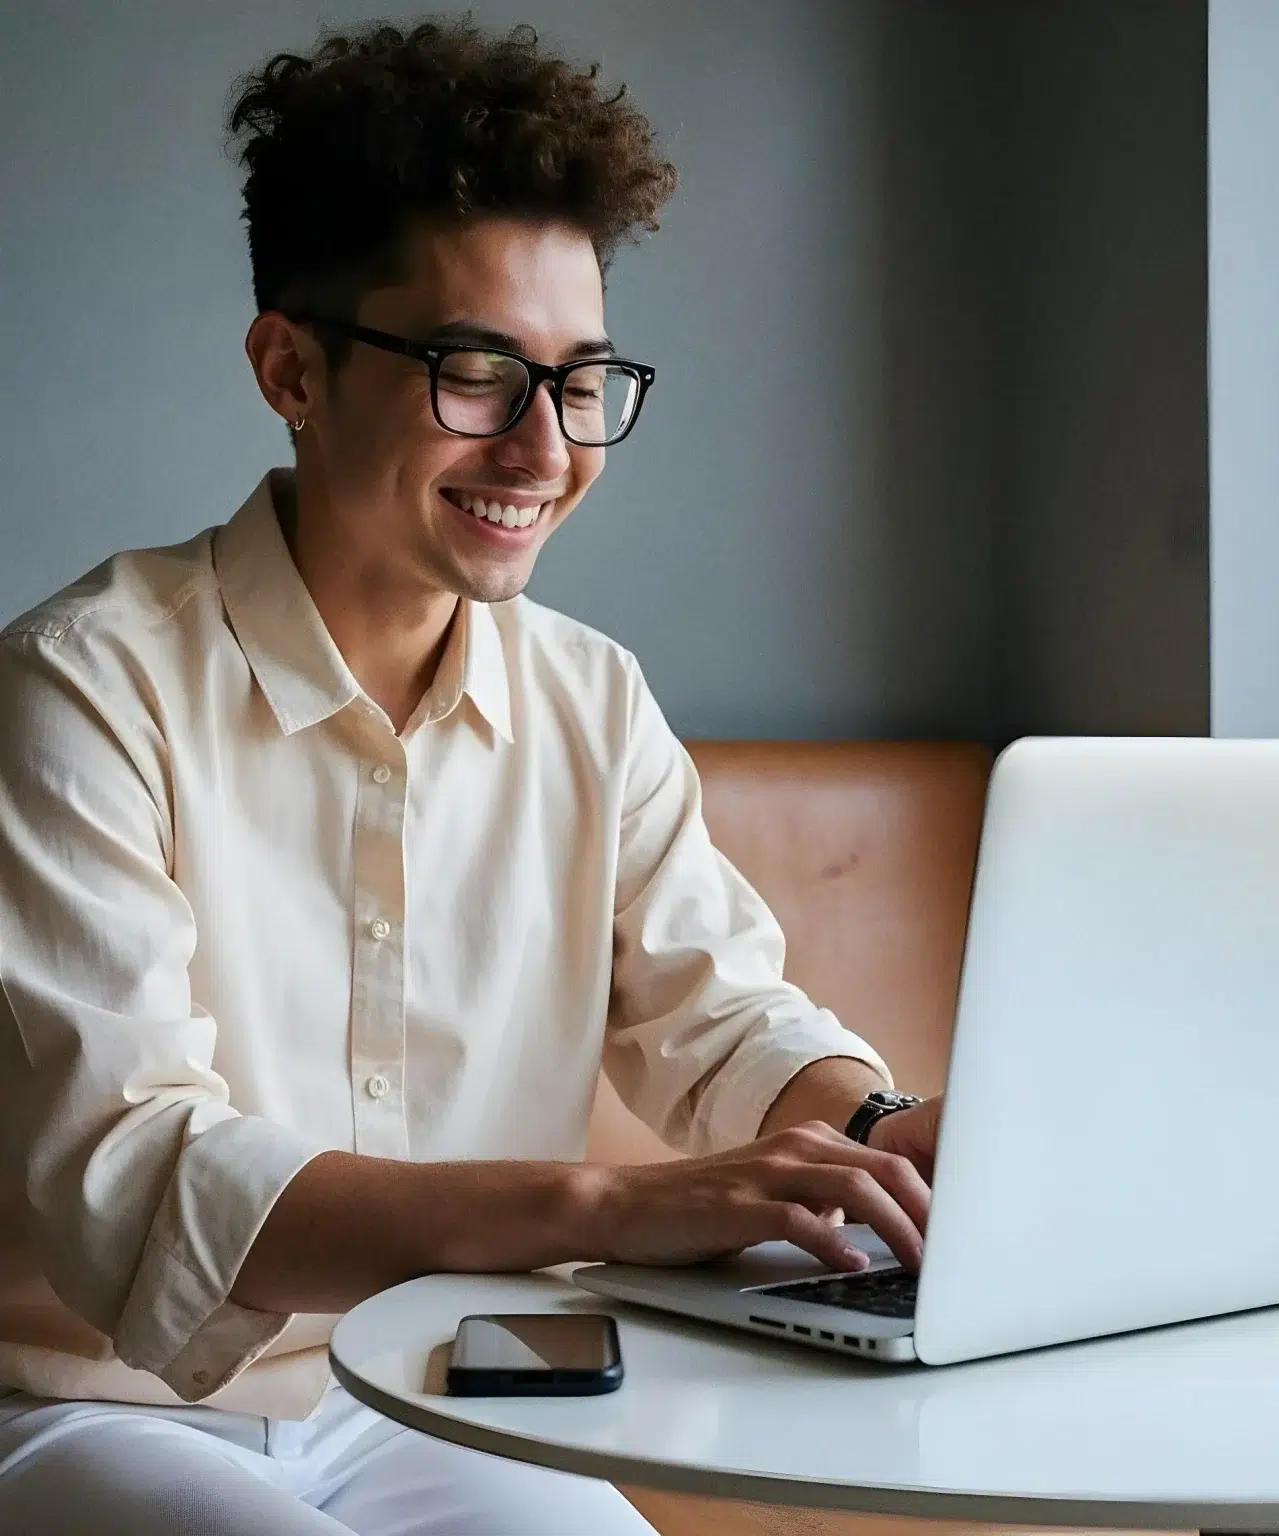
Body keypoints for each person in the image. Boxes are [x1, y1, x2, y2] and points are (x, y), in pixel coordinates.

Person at [0, 20, 939, 1535]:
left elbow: (719, 1017)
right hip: (81, 1407)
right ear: (288, 367)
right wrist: (606, 1209)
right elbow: (147, 1171)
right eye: (477, 371)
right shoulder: (78, 690)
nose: (543, 447)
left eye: (581, 382)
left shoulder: (591, 697)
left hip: (433, 1394)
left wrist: (883, 1132)